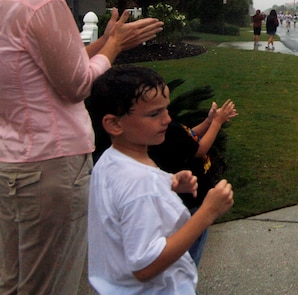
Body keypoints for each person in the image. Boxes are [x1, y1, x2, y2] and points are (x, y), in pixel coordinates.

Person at [0, 0, 163, 295]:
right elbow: (75, 84)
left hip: (13, 164)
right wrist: (116, 47)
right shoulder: (47, 4)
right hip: (53, 167)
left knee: (12, 279)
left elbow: (52, 66)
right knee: (51, 283)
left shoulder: (9, 2)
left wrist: (106, 42)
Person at [87, 65, 234, 294]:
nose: (167, 119)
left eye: (166, 109)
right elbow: (145, 266)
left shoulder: (109, 161)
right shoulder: (141, 184)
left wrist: (169, 182)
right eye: (154, 114)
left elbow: (123, 201)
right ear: (114, 124)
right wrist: (208, 212)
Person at [149, 98, 238, 266]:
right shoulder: (166, 131)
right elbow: (200, 149)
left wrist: (209, 120)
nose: (167, 116)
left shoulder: (170, 128)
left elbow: (190, 137)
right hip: (191, 201)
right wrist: (217, 122)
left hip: (192, 197)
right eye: (159, 110)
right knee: (189, 255)